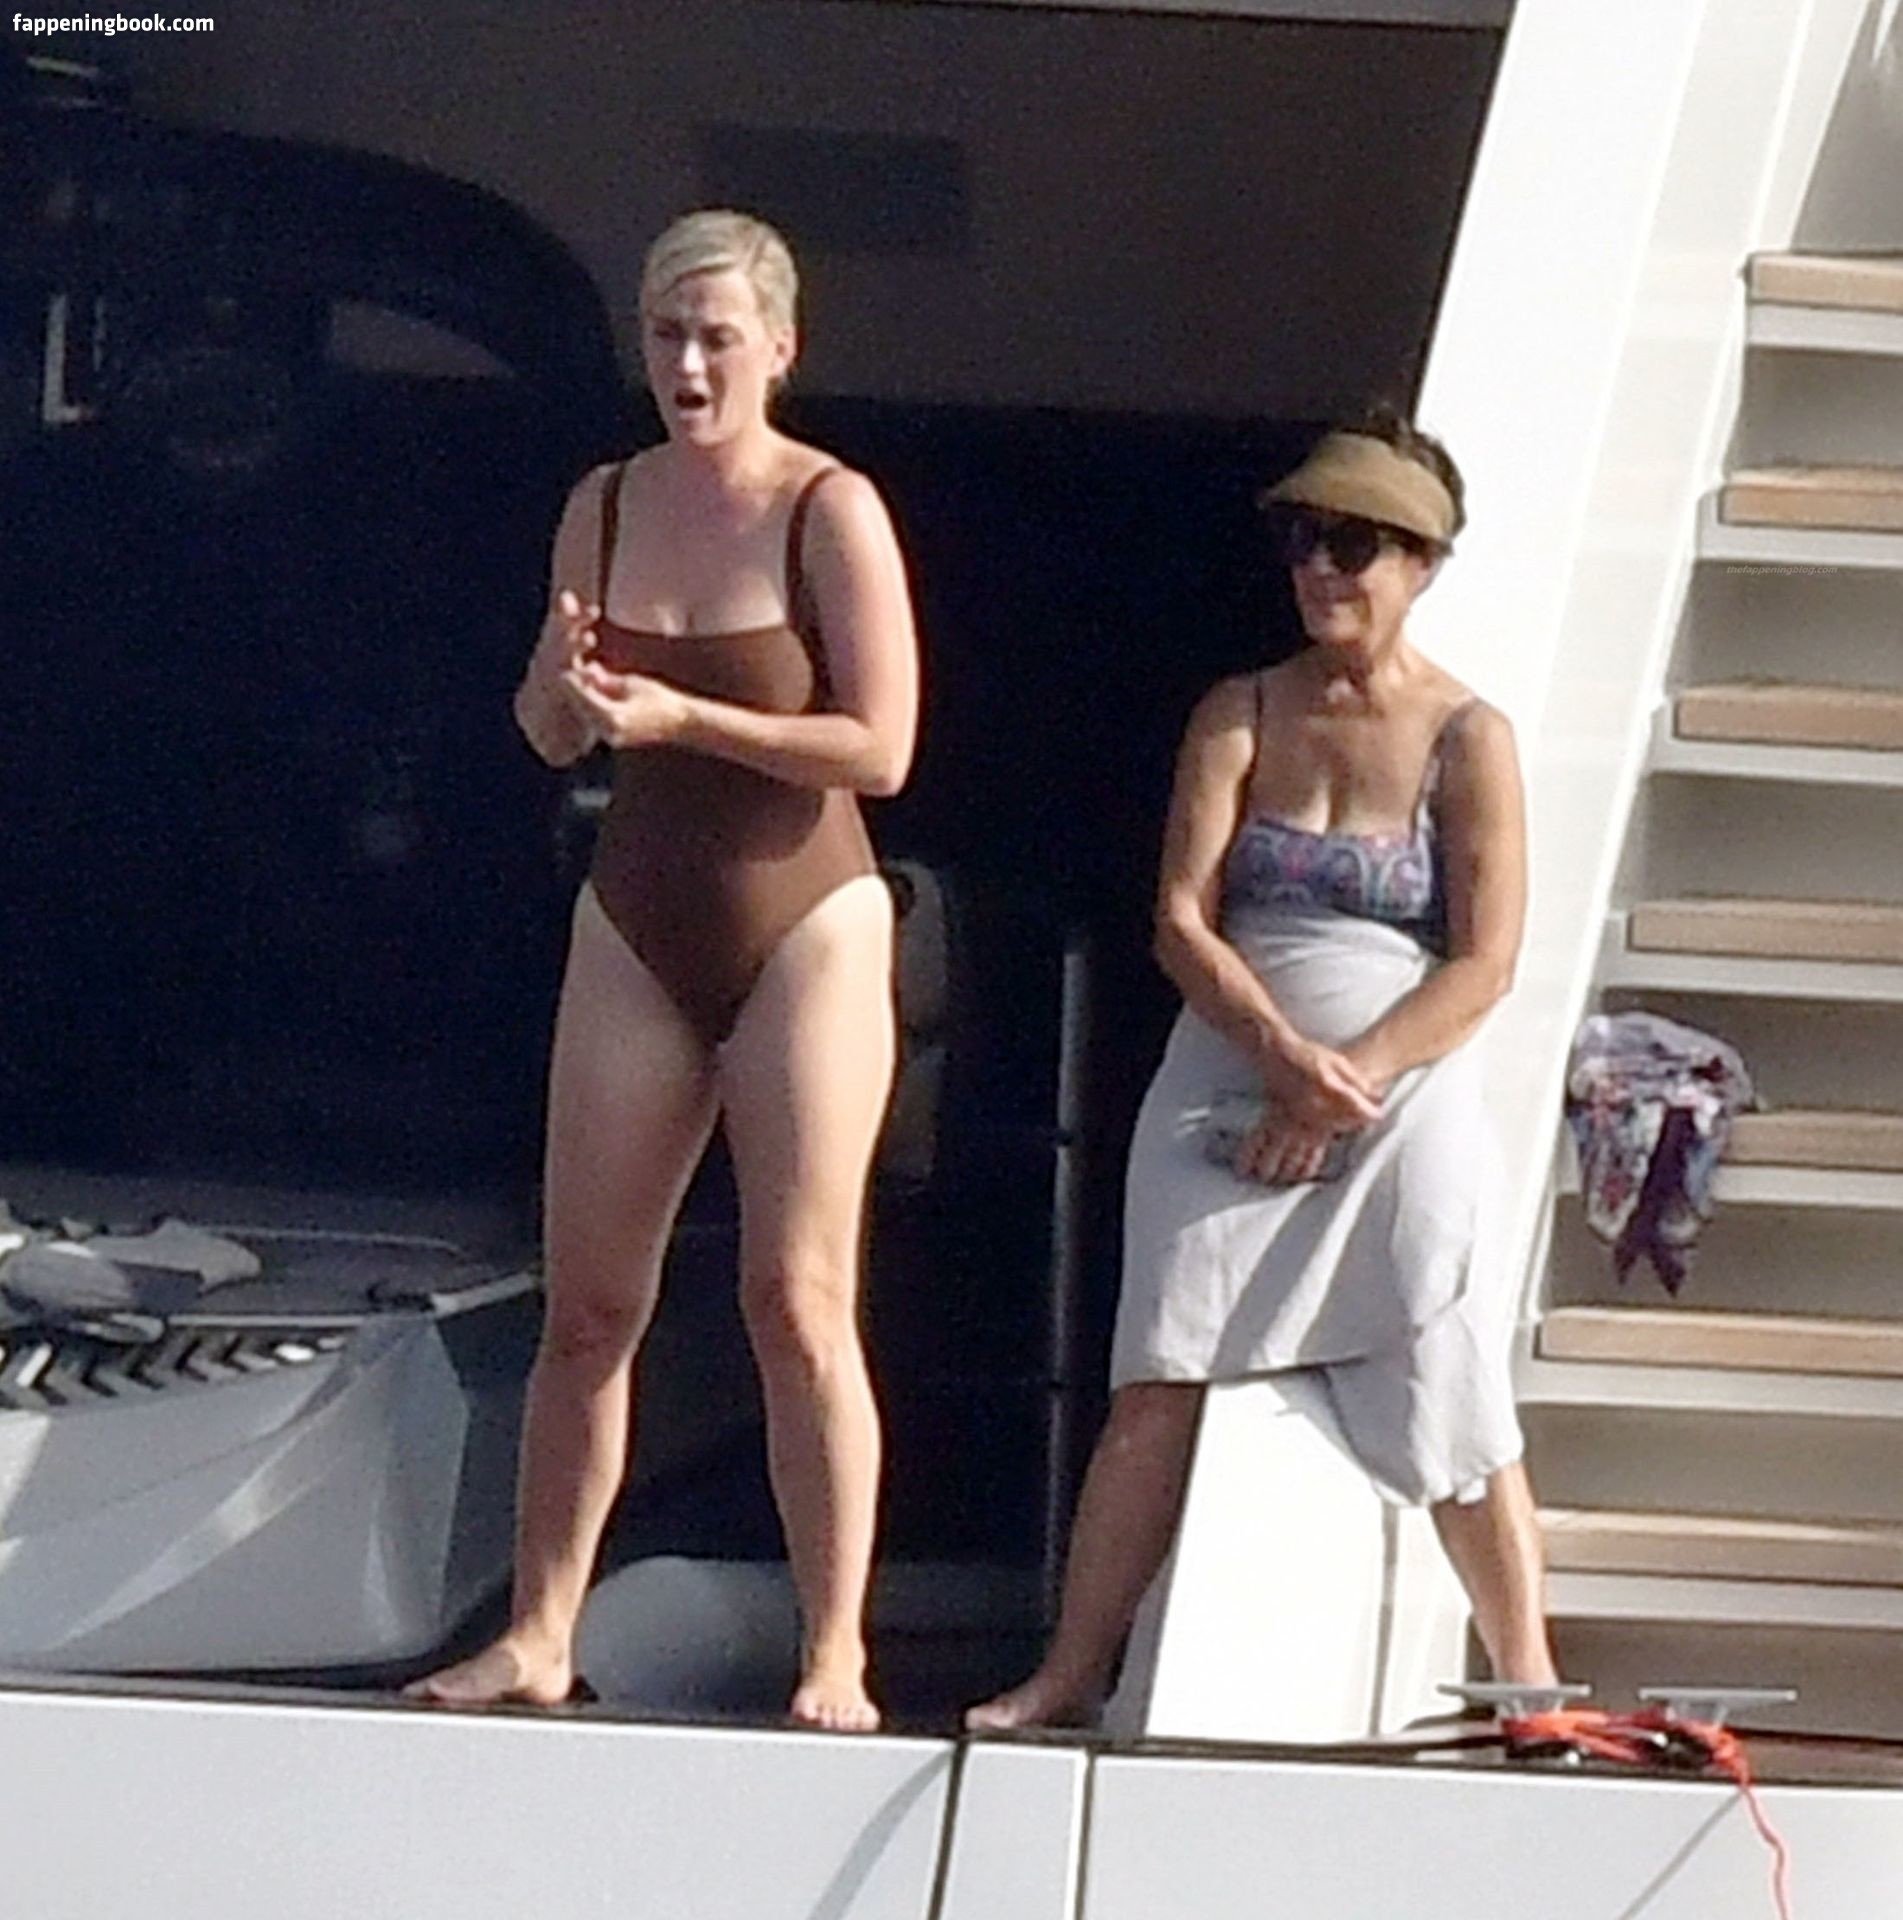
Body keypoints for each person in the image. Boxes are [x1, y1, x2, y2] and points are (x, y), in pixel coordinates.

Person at [410, 209, 920, 1731]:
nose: (688, 367)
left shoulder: (829, 507)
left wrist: (689, 721)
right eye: (664, 337)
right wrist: (565, 698)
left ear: (779, 349)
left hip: (806, 918)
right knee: (588, 1306)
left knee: (795, 1295)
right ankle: (537, 1630)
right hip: (638, 911)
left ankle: (836, 1647)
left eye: (716, 339)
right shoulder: (607, 502)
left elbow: (882, 747)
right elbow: (544, 725)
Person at [970, 410, 1557, 1730]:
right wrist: (1283, 1061)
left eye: (1353, 544)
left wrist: (1343, 1084)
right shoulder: (1238, 709)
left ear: (1420, 562)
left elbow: (1486, 960)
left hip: (1393, 1090)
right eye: (1302, 540)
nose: (1320, 569)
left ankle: (1527, 1678)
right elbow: (1181, 919)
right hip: (1233, 1067)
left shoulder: (1470, 737)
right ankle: (1073, 1669)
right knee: (1157, 1374)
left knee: (1445, 1350)